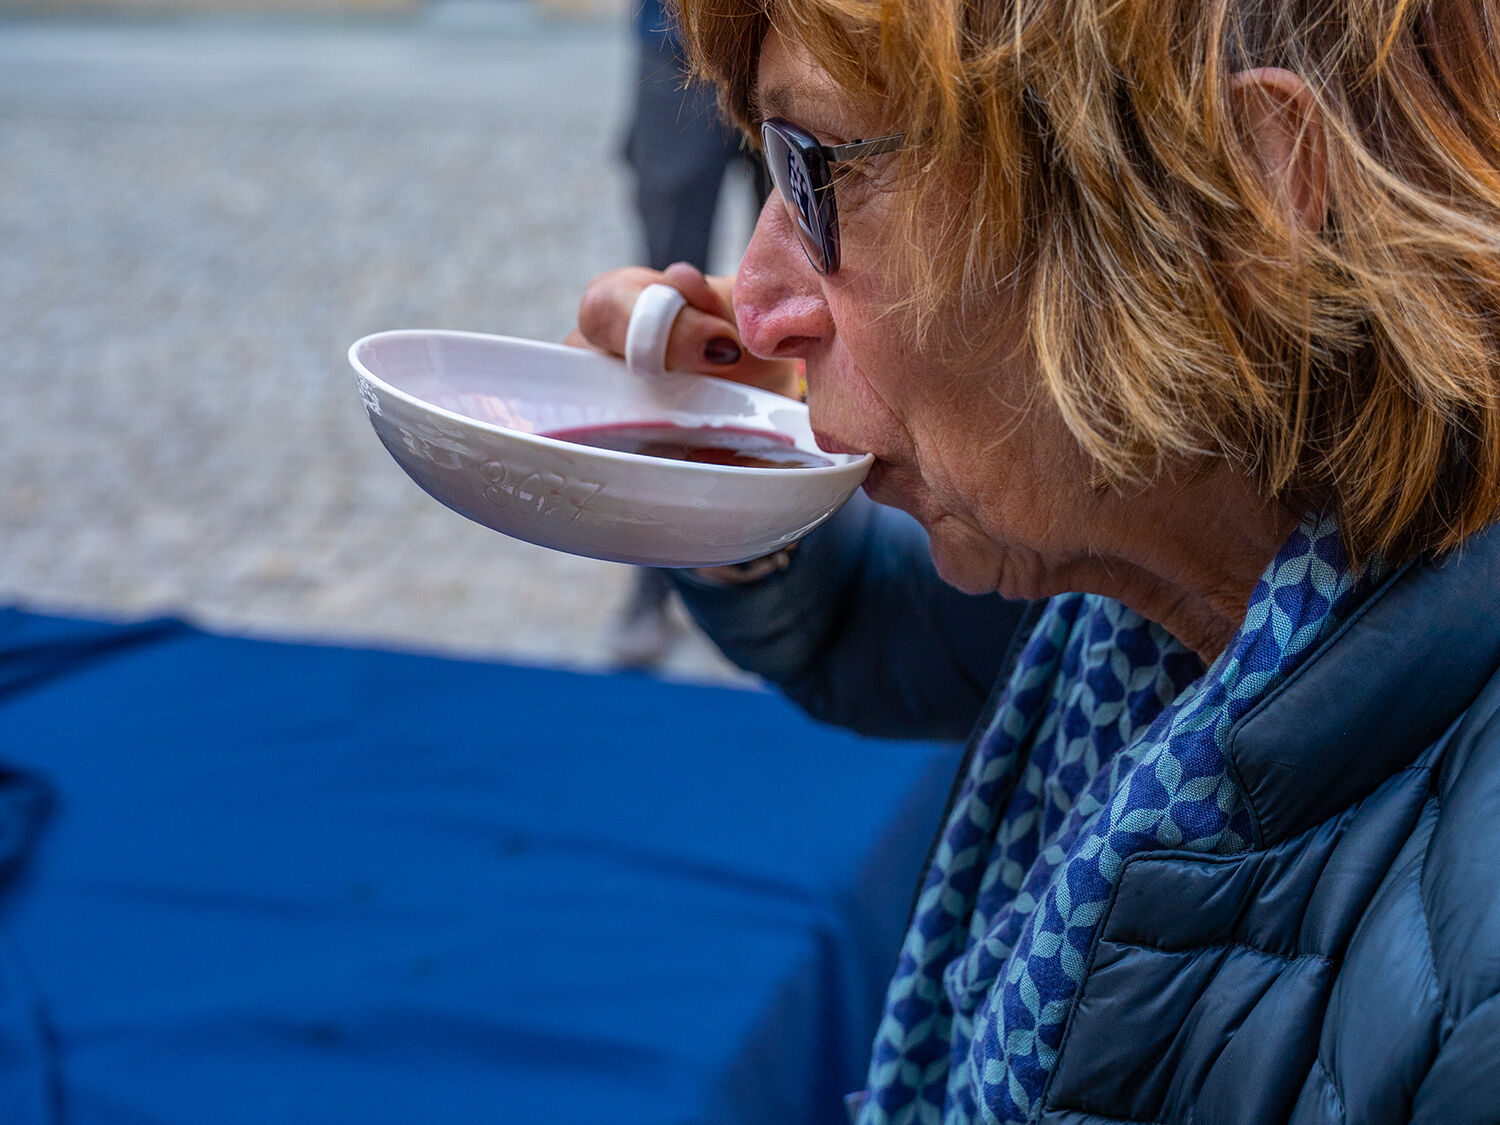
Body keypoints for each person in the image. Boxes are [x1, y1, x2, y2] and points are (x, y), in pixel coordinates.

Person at [569, 0, 1500, 1120]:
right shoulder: (1161, 554)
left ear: (1237, 211)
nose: (758, 303)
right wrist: (722, 459)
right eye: (763, 163)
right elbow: (886, 625)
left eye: (818, 168)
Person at [611, 0, 768, 668]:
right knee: (661, 323)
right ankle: (654, 572)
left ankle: (794, 545)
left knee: (815, 302)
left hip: (813, 37)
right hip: (675, 41)